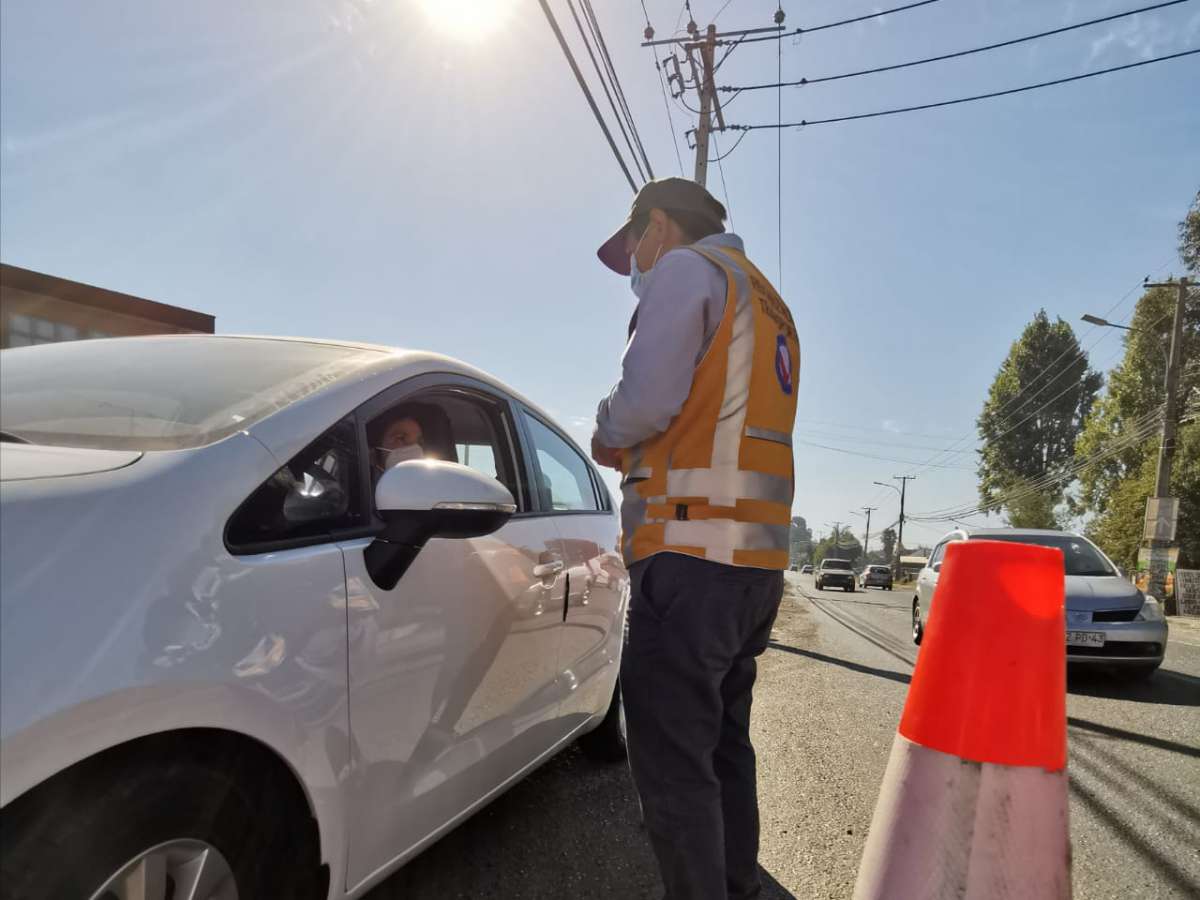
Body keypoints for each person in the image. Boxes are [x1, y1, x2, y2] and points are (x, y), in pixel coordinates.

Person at [591, 177, 799, 900]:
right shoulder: (767, 300)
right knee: (722, 753)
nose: (636, 269)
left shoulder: (688, 271)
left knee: (675, 774)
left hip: (687, 559)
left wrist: (605, 427)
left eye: (634, 250)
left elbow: (645, 401)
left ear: (658, 228)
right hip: (752, 568)